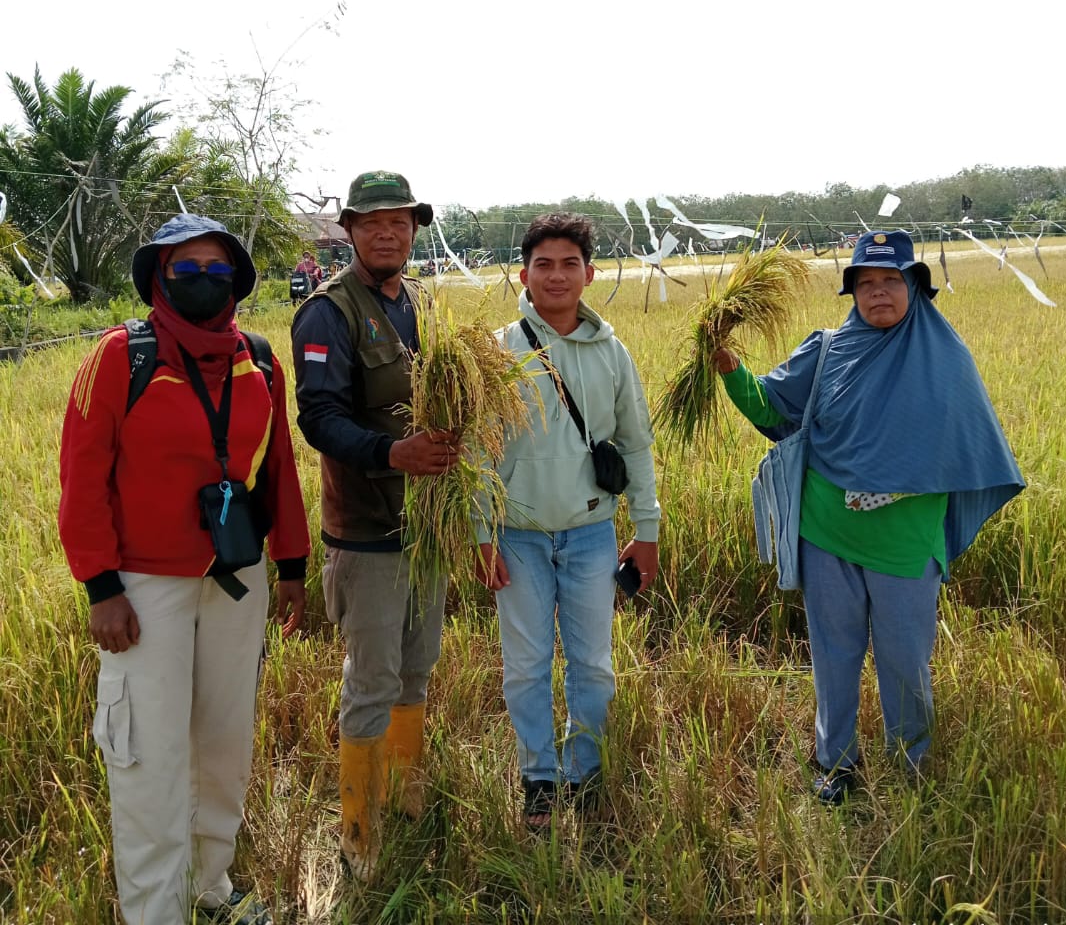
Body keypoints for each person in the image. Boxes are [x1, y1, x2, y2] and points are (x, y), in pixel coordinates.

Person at [58, 214, 311, 925]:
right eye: (186, 271)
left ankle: (210, 887)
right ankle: (154, 912)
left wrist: (290, 563)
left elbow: (278, 470)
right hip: (143, 590)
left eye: (216, 271)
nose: (203, 283)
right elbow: (82, 479)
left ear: (237, 281)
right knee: (147, 755)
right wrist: (101, 587)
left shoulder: (258, 359)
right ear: (159, 280)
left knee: (223, 740)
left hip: (236, 579)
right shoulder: (121, 356)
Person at [713, 229, 1024, 804]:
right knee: (834, 655)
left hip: (906, 543)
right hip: (826, 533)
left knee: (905, 660)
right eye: (865, 282)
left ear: (914, 286)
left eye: (890, 280)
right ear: (852, 291)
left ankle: (911, 769)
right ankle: (836, 765)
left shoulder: (946, 361)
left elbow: (967, 449)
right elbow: (768, 406)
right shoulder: (828, 350)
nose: (878, 292)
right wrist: (728, 366)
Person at [290, 171, 460, 880]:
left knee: (416, 667)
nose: (388, 233)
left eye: (400, 221)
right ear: (350, 231)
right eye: (373, 223)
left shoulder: (417, 307)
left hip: (426, 530)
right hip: (366, 532)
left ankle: (407, 794)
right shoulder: (328, 312)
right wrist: (393, 453)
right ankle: (358, 833)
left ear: (414, 229)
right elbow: (318, 418)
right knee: (371, 678)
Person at [474, 212, 660, 828]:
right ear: (523, 275)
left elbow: (634, 446)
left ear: (589, 274)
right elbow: (475, 451)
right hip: (518, 535)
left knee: (594, 664)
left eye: (569, 264)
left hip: (590, 535)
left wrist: (648, 531)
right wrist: (480, 534)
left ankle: (584, 772)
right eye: (544, 265)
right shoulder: (495, 352)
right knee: (525, 665)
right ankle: (539, 778)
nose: (556, 276)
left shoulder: (612, 353)